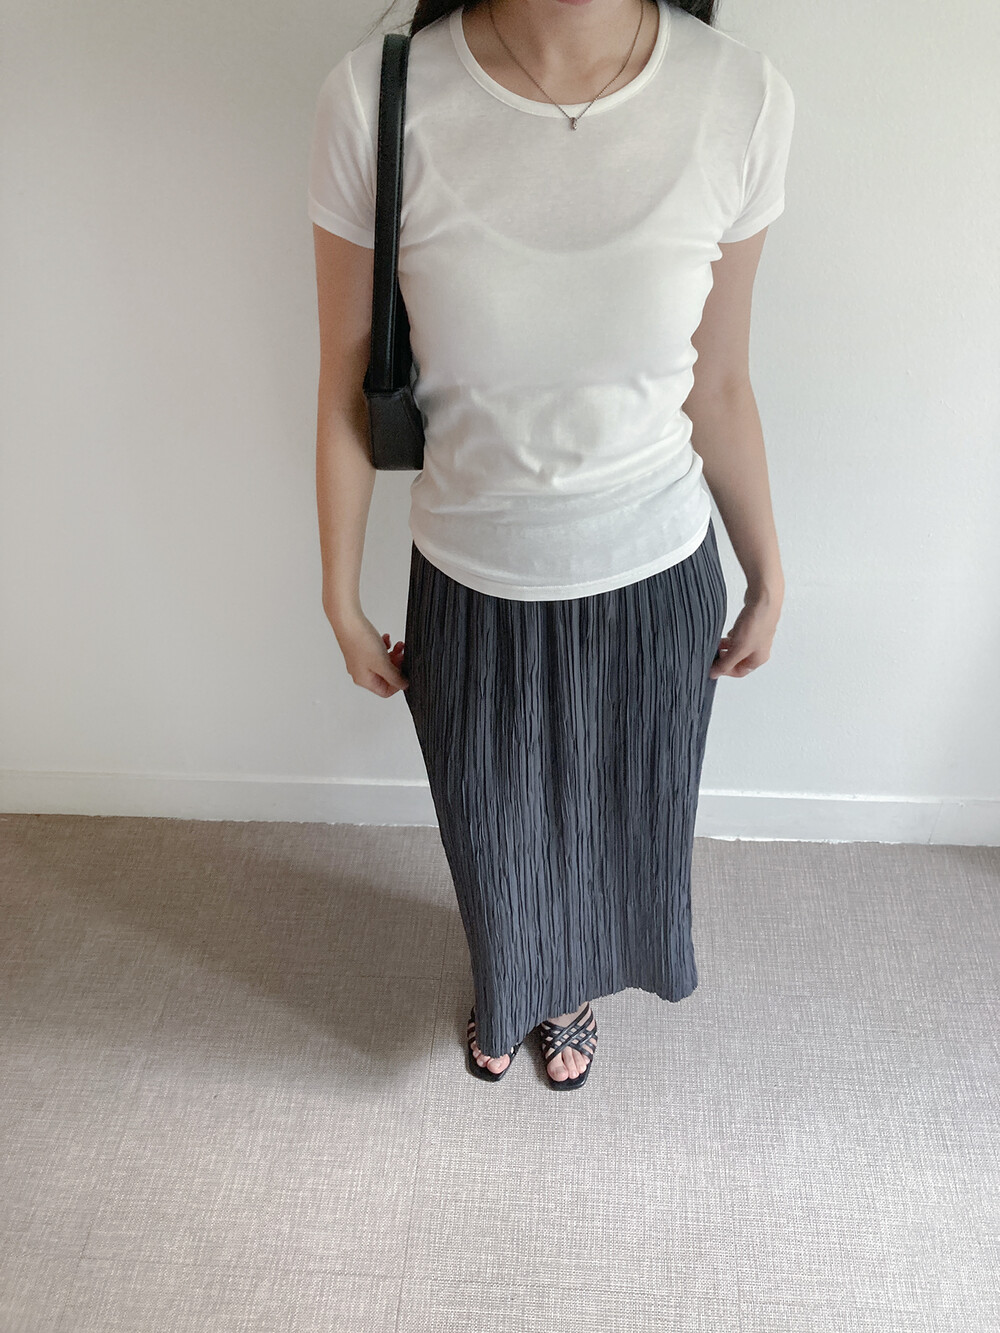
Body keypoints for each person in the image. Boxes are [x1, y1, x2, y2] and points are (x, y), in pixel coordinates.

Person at [308, 0, 794, 1089]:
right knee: (492, 835)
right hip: (470, 574)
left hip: (657, 567)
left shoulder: (739, 95)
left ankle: (566, 987)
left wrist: (767, 570)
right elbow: (344, 377)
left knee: (625, 828)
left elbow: (719, 380)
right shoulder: (376, 98)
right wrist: (339, 595)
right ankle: (517, 979)